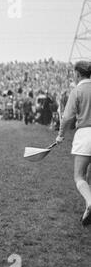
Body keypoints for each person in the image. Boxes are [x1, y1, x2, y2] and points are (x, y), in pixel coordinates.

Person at [55, 61, 91, 226]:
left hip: (85, 135)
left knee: (79, 175)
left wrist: (61, 135)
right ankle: (87, 213)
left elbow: (68, 117)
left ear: (78, 74)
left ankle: (90, 203)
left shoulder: (77, 91)